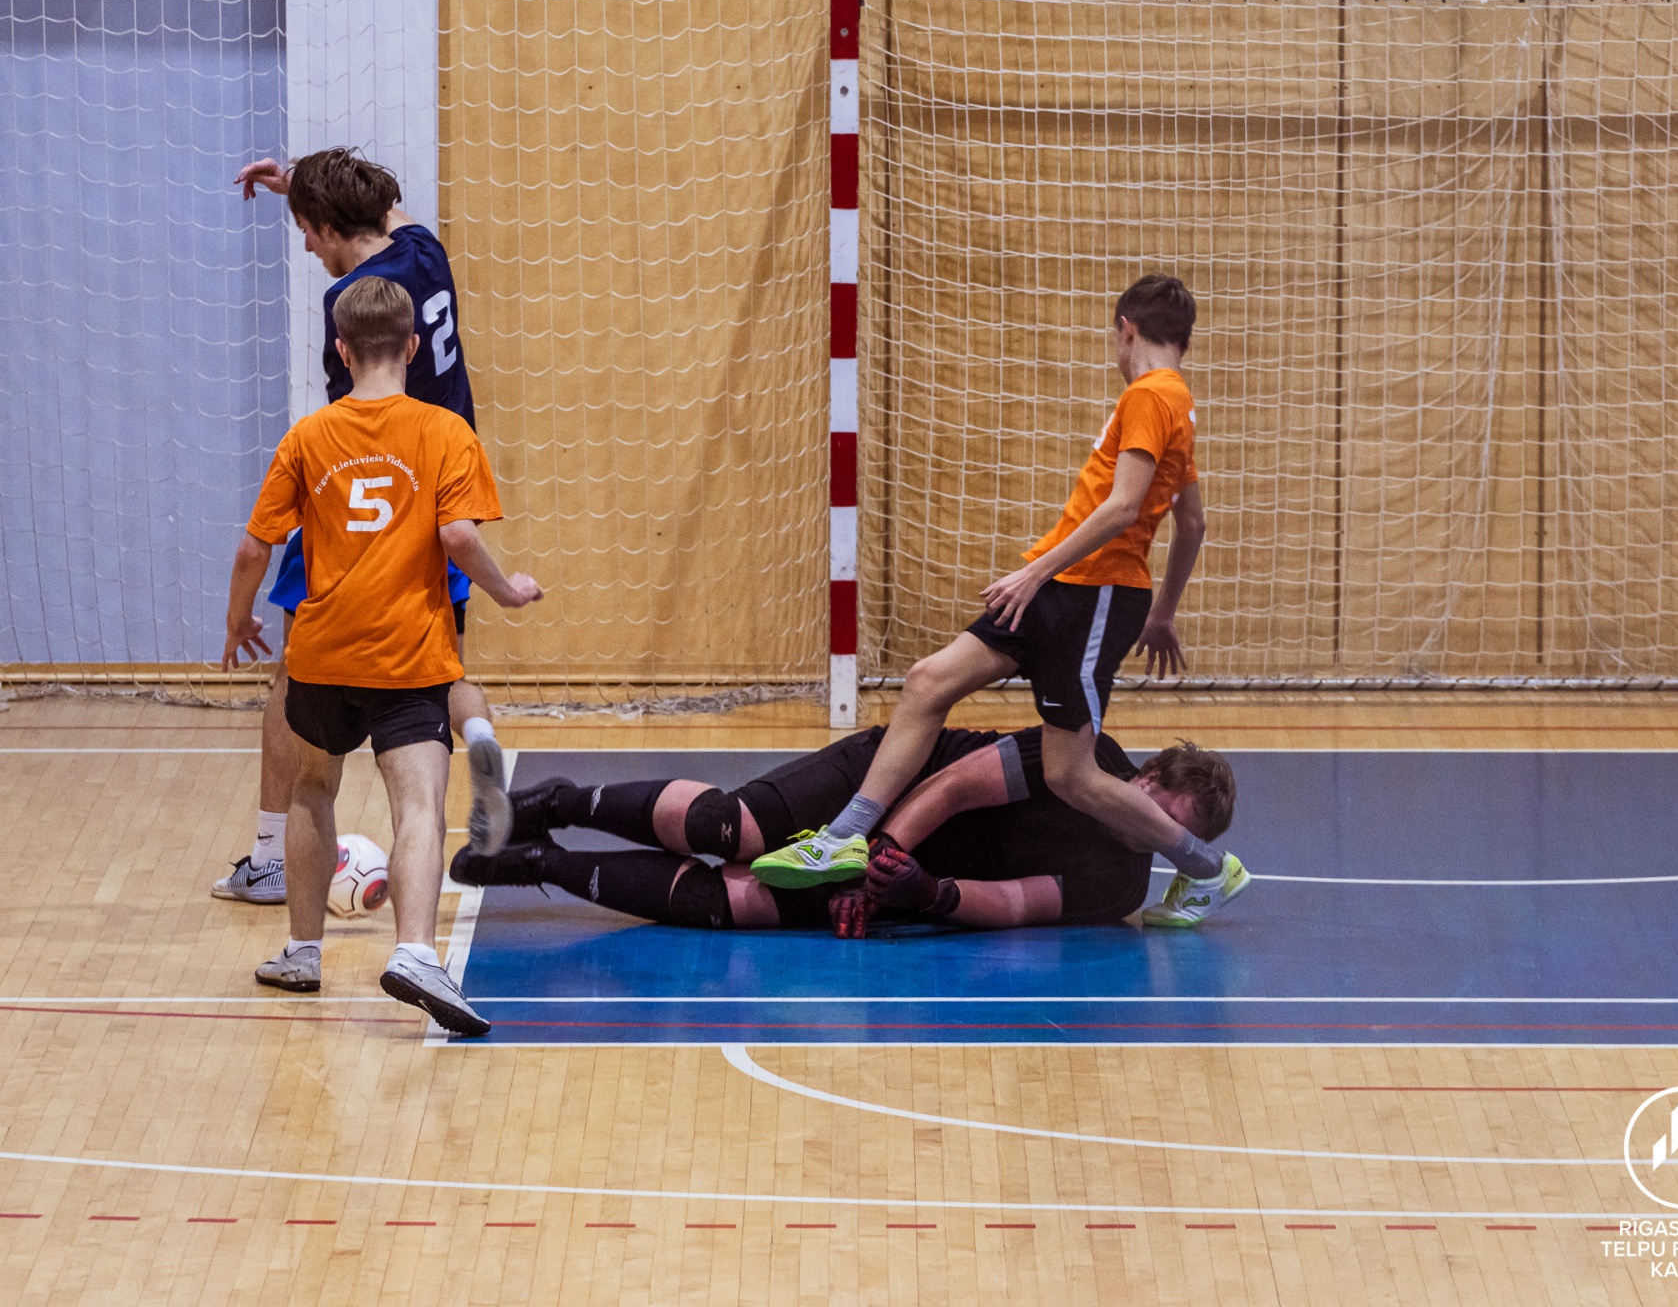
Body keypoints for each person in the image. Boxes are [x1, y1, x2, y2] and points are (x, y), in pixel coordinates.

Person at [751, 274, 1242, 926]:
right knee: (929, 681)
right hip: (1063, 588)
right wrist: (1164, 612)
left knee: (1070, 774)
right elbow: (1193, 522)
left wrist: (1035, 574)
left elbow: (1124, 506)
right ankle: (843, 837)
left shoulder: (1152, 395)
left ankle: (1208, 867)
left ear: (1125, 329)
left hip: (1088, 594)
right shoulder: (1178, 403)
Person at [221, 275, 542, 1035]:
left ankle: (303, 951)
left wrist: (238, 622)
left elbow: (254, 547)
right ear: (412, 345)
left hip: (321, 654)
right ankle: (415, 954)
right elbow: (457, 536)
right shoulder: (445, 432)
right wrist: (505, 590)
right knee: (419, 806)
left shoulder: (307, 437)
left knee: (311, 789)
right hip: (409, 655)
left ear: (341, 350)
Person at [213, 148, 516, 908]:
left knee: (297, 675)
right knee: (434, 672)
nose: (307, 247)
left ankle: (272, 858)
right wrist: (303, 186)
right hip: (440, 499)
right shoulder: (425, 251)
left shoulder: (349, 304)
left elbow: (355, 417)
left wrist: (306, 192)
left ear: (327, 227)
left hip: (362, 504)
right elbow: (386, 209)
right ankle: (480, 740)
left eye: (307, 231)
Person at [447, 726, 1243, 935]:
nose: (1156, 839)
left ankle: (544, 863)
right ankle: (556, 803)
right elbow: (952, 786)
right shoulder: (1083, 756)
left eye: (1173, 842)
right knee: (731, 828)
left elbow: (1018, 902)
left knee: (735, 904)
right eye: (1161, 819)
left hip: (901, 870)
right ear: (1145, 780)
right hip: (887, 786)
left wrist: (928, 893)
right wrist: (871, 855)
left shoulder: (1121, 883)